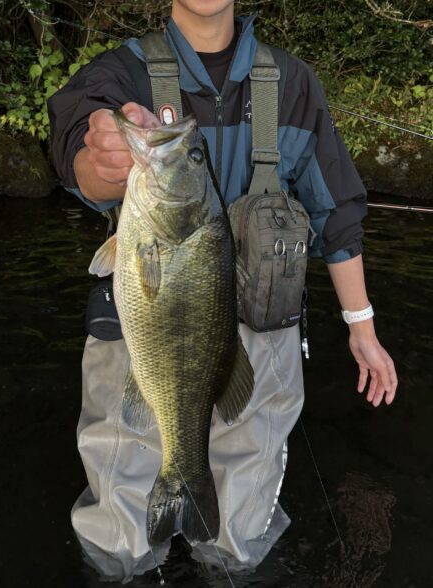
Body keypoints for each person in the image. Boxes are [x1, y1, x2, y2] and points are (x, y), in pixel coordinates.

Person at [48, 0, 398, 583]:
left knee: (242, 524)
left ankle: (225, 556)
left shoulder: (293, 82)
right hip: (147, 333)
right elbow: (75, 150)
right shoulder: (119, 73)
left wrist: (361, 325)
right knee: (121, 530)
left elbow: (335, 212)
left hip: (260, 338)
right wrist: (100, 159)